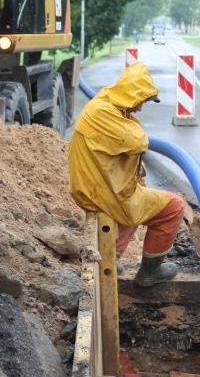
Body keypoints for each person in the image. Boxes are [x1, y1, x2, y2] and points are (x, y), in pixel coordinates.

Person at [68, 63, 186, 287]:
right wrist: (133, 123)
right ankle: (150, 273)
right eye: (140, 102)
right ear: (131, 96)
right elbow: (139, 141)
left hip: (97, 186)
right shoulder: (103, 113)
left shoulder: (106, 104)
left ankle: (112, 257)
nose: (140, 108)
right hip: (99, 192)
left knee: (139, 199)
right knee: (174, 207)